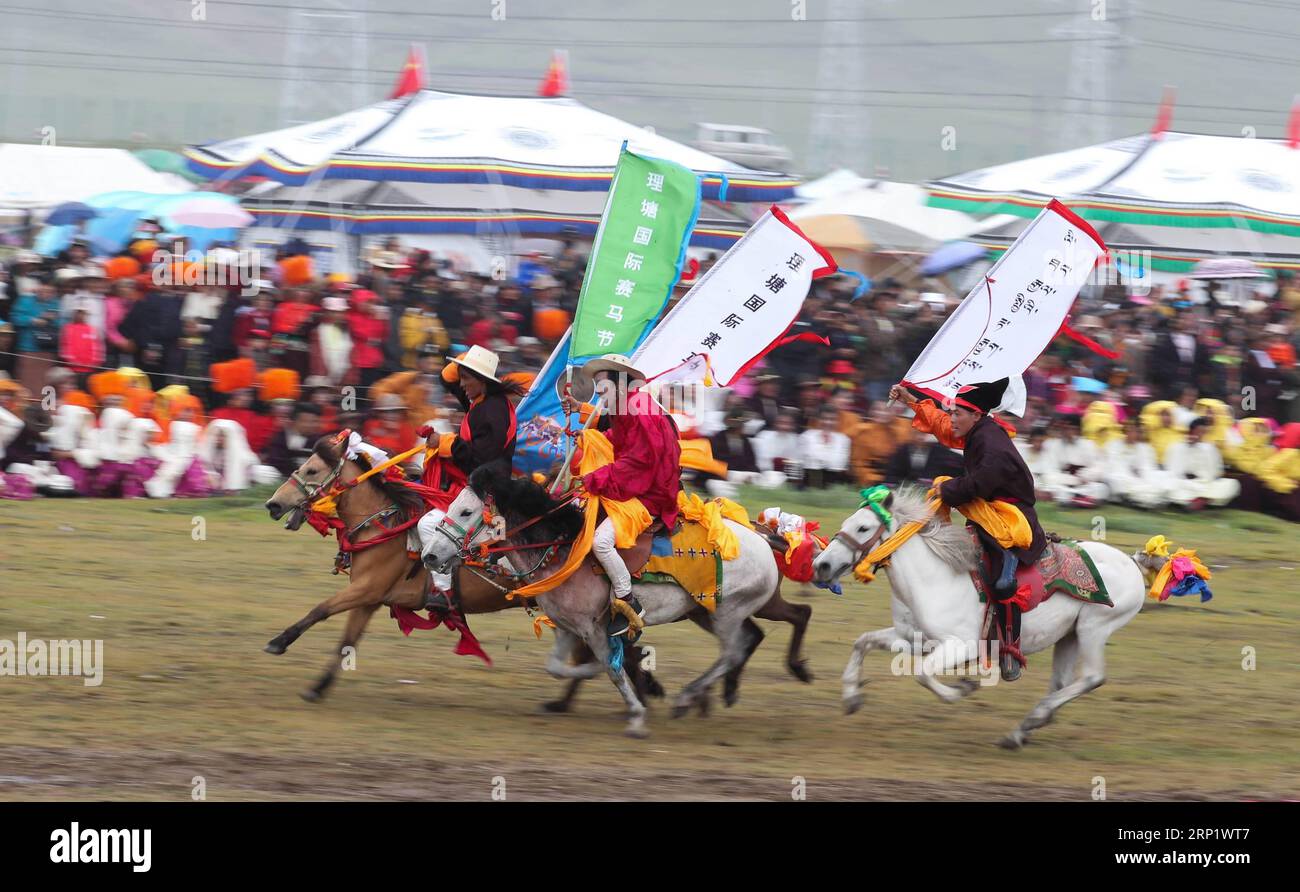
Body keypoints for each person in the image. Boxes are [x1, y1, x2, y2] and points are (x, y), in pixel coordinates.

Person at [890, 379, 1046, 682]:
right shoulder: (975, 428)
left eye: (958, 413)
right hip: (985, 512)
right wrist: (910, 398)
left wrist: (944, 487)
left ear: (976, 415)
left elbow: (979, 484)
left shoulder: (992, 442)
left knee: (1002, 581)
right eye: (952, 412)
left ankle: (1010, 648)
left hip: (1011, 518)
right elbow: (943, 426)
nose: (952, 419)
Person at [560, 354, 681, 639]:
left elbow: (638, 463)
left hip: (652, 495)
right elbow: (616, 438)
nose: (600, 395)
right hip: (642, 486)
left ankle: (628, 602)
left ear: (620, 385)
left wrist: (596, 478)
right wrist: (587, 436)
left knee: (600, 541)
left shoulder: (638, 409)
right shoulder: (628, 405)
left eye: (602, 389)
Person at [416, 345, 522, 609]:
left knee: (429, 525)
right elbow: (447, 378)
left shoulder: (491, 411)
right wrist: (466, 362)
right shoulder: (481, 402)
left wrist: (446, 443)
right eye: (462, 377)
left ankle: (444, 592)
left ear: (482, 381)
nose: (461, 385)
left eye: (467, 378)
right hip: (476, 484)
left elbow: (482, 460)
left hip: (488, 490)